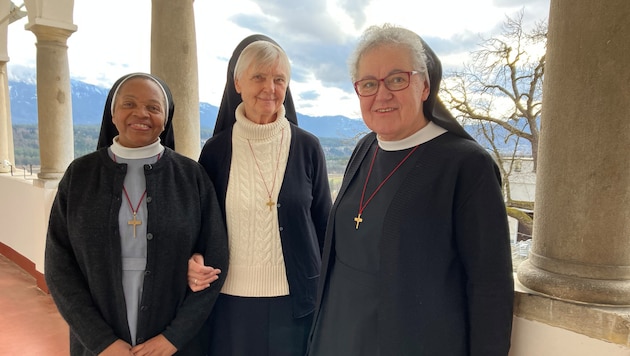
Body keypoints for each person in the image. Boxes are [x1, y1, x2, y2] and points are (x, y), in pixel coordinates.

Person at [307, 24, 514, 356]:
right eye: (369, 84)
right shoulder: (365, 148)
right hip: (340, 336)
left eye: (397, 79)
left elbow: (490, 286)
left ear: (424, 86)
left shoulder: (466, 165)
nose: (382, 94)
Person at [44, 72, 229, 355]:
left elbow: (215, 259)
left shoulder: (191, 176)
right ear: (113, 114)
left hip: (175, 344)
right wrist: (100, 341)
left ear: (165, 120)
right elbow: (59, 268)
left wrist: (174, 338)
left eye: (153, 107)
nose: (140, 113)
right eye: (128, 104)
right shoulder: (79, 176)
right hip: (98, 345)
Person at [188, 35, 332, 356]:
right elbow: (199, 224)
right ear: (238, 83)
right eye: (259, 77)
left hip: (297, 304)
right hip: (230, 302)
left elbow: (325, 225)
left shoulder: (308, 148)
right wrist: (194, 258)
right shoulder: (215, 152)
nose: (270, 87)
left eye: (279, 79)